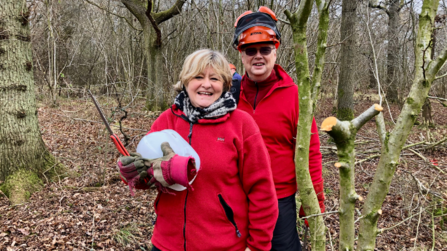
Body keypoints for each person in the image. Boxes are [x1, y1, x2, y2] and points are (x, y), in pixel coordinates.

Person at [120, 49, 278, 251]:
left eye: (215, 78)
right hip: (167, 243)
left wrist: (257, 246)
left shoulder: (241, 125)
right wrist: (133, 175)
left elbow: (262, 192)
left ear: (225, 84)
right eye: (198, 77)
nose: (206, 84)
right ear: (185, 81)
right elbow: (147, 177)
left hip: (225, 245)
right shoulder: (167, 120)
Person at [233, 7, 325, 251]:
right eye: (250, 51)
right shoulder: (227, 95)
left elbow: (311, 152)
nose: (258, 57)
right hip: (234, 196)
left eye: (265, 50)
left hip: (279, 199)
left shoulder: (296, 96)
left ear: (276, 51)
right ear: (240, 54)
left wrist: (313, 203)